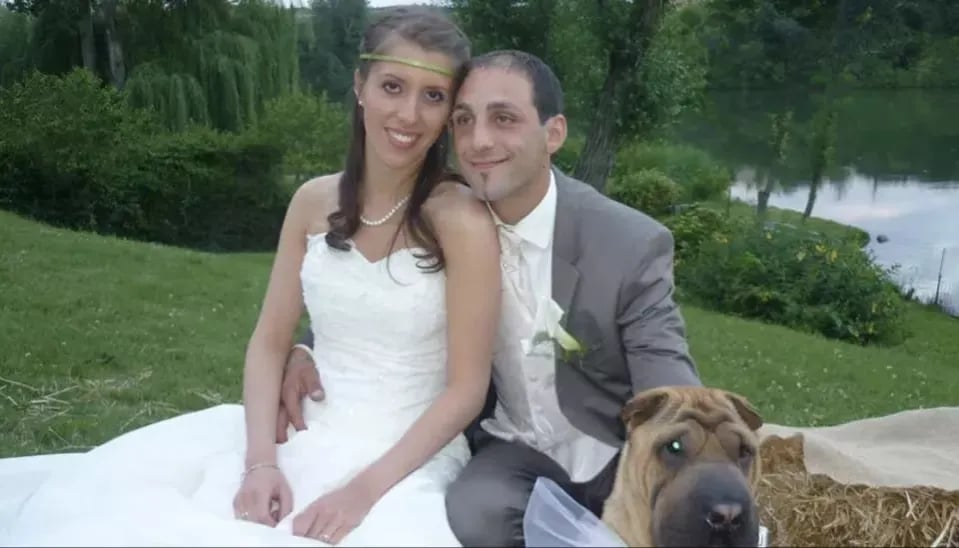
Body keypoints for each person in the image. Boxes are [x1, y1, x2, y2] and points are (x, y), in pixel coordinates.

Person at [3, 8, 502, 547]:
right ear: (360, 86)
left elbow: (466, 390)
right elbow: (268, 342)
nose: (409, 113)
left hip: (406, 459)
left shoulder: (461, 220)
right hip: (301, 432)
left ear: (450, 112)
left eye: (433, 96)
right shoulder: (312, 201)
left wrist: (362, 492)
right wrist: (261, 462)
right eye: (392, 86)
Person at [278, 49, 704, 547]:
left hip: (611, 448)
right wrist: (307, 346)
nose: (479, 141)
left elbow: (668, 379)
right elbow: (380, 292)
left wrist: (688, 459)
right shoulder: (442, 215)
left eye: (504, 119)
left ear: (553, 134)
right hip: (510, 445)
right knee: (473, 515)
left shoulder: (627, 242)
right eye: (464, 121)